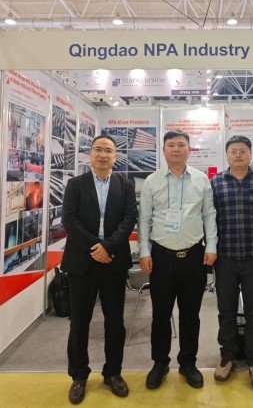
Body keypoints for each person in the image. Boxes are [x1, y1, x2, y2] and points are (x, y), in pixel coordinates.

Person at [61, 134, 137, 404]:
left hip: (113, 263)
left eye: (108, 151)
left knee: (115, 322)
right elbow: (69, 220)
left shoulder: (125, 184)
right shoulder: (75, 184)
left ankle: (113, 373)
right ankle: (79, 376)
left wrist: (108, 247)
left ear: (115, 156)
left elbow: (129, 219)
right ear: (90, 154)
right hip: (82, 262)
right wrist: (96, 247)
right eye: (98, 150)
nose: (103, 155)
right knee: (79, 322)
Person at [139, 129, 217, 390]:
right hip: (161, 257)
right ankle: (160, 363)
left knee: (190, 315)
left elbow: (209, 215)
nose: (176, 149)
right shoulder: (151, 181)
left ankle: (188, 363)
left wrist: (211, 245)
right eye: (171, 145)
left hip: (194, 256)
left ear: (189, 149)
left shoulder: (201, 180)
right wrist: (144, 251)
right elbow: (144, 220)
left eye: (181, 145)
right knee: (160, 315)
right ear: (163, 150)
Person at [211, 135, 253, 388]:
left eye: (242, 151)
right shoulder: (215, 182)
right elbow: (210, 219)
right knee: (226, 311)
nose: (238, 155)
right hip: (224, 257)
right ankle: (227, 357)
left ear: (250, 154)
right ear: (227, 155)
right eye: (233, 151)